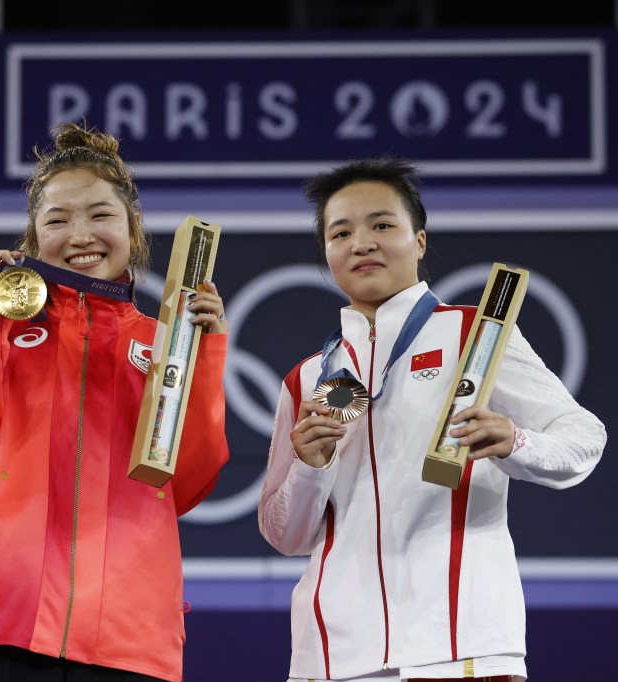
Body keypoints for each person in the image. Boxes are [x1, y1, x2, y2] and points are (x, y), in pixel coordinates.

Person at [258, 156, 606, 682]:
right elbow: (284, 535)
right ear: (327, 254)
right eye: (341, 232)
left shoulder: (476, 336)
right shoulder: (309, 379)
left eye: (382, 225)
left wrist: (517, 441)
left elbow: (584, 436)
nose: (362, 242)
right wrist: (309, 467)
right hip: (332, 657)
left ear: (419, 241)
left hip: (459, 643)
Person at [0, 120, 230, 681]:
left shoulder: (163, 340)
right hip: (6, 621)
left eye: (100, 215)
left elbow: (186, 482)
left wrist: (204, 356)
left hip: (130, 631)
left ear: (132, 228)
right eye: (58, 220)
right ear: (33, 238)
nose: (80, 234)